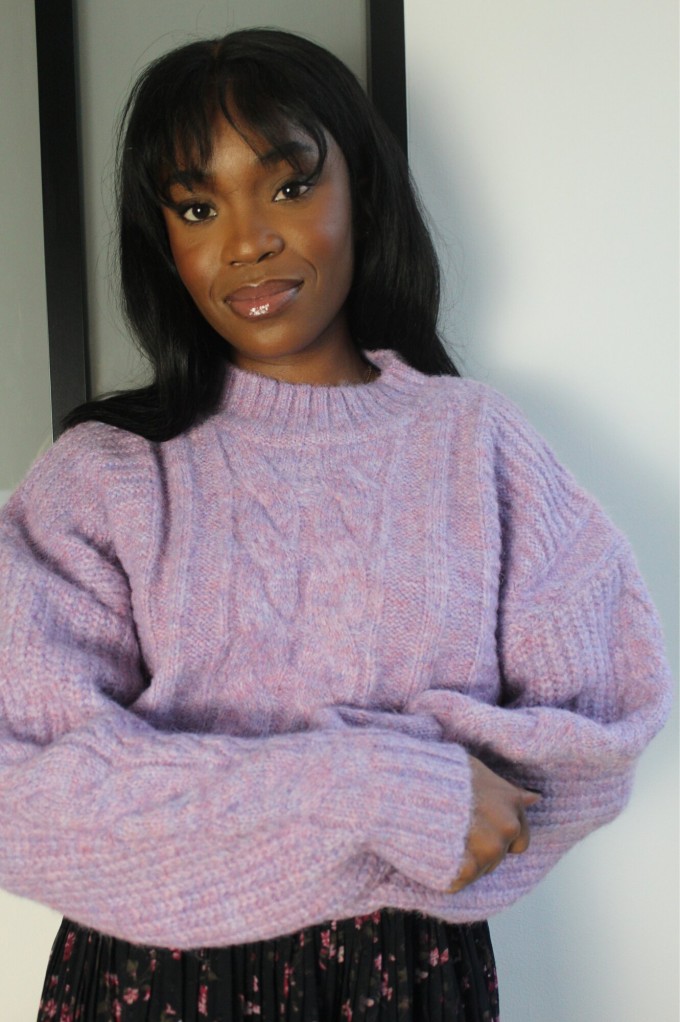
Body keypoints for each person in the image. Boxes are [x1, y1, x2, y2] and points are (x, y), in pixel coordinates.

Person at [0, 28, 671, 1022]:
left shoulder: (473, 443)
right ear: (163, 240)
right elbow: (19, 793)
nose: (246, 242)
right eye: (197, 207)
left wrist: (220, 804)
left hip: (403, 981)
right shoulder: (102, 477)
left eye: (289, 185)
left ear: (362, 190)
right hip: (153, 985)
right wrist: (382, 785)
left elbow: (603, 724)